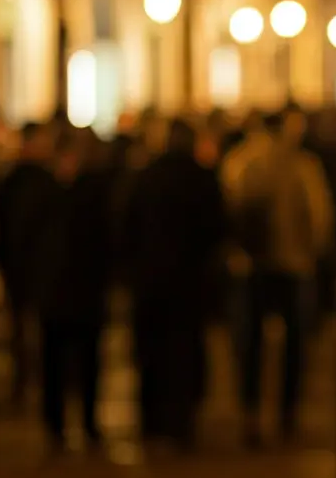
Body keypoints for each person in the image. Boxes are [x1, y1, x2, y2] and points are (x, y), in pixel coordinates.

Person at [221, 112, 333, 446]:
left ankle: (251, 414)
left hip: (249, 267)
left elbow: (226, 213)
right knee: (294, 345)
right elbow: (318, 217)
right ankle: (287, 412)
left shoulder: (239, 162)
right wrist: (311, 252)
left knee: (250, 344)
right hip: (293, 265)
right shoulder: (301, 163)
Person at [124, 119, 227, 448]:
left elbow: (126, 226)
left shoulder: (146, 177)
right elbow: (217, 229)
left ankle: (151, 419)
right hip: (189, 282)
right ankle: (181, 421)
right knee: (184, 351)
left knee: (151, 350)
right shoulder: (202, 178)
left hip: (150, 279)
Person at [35, 129, 114, 451]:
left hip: (77, 289)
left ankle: (82, 423)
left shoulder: (88, 191)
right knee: (58, 360)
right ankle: (61, 425)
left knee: (82, 359)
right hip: (63, 289)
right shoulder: (48, 191)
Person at [0, 122, 55, 411]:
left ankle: (31, 382)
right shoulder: (24, 179)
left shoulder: (23, 178)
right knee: (25, 328)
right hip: (26, 266)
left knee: (29, 328)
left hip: (27, 266)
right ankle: (29, 382)